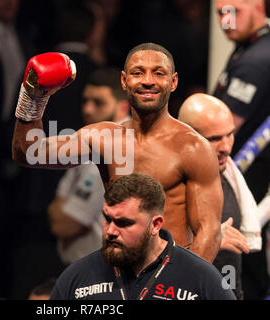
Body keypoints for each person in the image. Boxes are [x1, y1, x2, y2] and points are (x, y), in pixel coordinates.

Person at [12, 42, 223, 263]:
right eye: (138, 73)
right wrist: (33, 97)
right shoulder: (104, 138)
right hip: (117, 274)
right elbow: (28, 153)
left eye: (158, 73)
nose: (148, 80)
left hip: (169, 276)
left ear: (173, 82)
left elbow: (208, 231)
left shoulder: (193, 147)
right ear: (124, 81)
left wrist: (183, 289)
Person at [50, 173, 236, 300]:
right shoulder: (76, 278)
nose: (110, 231)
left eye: (124, 223)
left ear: (155, 225)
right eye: (107, 219)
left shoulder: (202, 278)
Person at [178, 93, 264, 299]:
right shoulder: (169, 185)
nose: (226, 147)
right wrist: (209, 242)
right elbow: (149, 259)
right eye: (214, 139)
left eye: (230, 134)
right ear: (187, 138)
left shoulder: (228, 174)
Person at [214, 0, 270, 299]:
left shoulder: (257, 58)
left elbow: (220, 128)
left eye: (233, 11)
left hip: (245, 175)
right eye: (220, 13)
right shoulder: (249, 47)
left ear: (259, 6)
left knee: (240, 259)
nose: (226, 20)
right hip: (244, 174)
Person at [47, 67, 130, 265]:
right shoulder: (87, 141)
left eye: (98, 103)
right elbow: (57, 205)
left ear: (123, 108)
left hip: (100, 269)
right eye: (85, 101)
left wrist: (62, 205)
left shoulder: (112, 150)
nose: (87, 109)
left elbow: (64, 224)